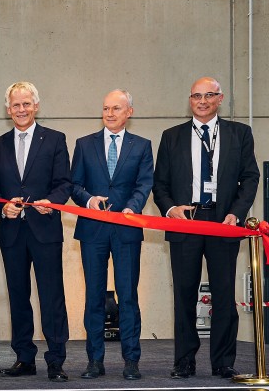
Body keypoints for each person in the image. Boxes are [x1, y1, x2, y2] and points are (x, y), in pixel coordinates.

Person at [152, 77, 259, 380]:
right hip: (186, 221)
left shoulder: (240, 133)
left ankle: (223, 361)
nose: (202, 101)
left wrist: (236, 214)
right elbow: (159, 185)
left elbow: (250, 177)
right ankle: (184, 361)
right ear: (190, 99)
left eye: (208, 95)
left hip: (224, 222)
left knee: (224, 295)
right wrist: (171, 209)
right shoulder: (171, 136)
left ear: (220, 98)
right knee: (184, 294)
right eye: (196, 96)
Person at [0, 81, 71, 382]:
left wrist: (53, 201)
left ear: (36, 106)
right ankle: (24, 358)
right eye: (15, 105)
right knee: (18, 297)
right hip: (11, 233)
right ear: (8, 110)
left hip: (45, 229)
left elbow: (64, 183)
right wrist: (1, 208)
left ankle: (56, 360)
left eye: (26, 104)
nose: (21, 109)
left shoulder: (56, 140)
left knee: (52, 296)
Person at [70, 90, 152, 381]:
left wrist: (132, 207)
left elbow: (144, 184)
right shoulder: (84, 144)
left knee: (128, 296)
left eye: (116, 108)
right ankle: (95, 360)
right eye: (106, 108)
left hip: (127, 229)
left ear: (129, 111)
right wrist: (88, 199)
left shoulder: (142, 146)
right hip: (92, 229)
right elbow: (74, 185)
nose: (110, 113)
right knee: (93, 296)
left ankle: (131, 360)